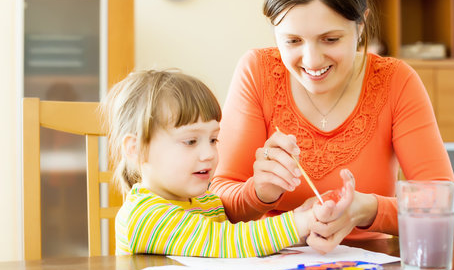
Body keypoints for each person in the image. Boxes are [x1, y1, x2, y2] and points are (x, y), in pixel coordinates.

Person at [210, 0, 454, 254]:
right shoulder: (257, 71)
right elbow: (216, 202)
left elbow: (448, 211)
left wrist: (367, 209)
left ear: (360, 25)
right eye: (292, 41)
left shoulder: (397, 81)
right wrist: (259, 193)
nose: (312, 60)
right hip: (273, 269)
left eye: (330, 39)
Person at [101, 69, 321, 257]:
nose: (208, 153)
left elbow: (244, 244)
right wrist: (299, 222)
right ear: (136, 149)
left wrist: (304, 231)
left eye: (213, 139)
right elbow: (227, 242)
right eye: (190, 141)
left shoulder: (207, 202)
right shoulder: (144, 216)